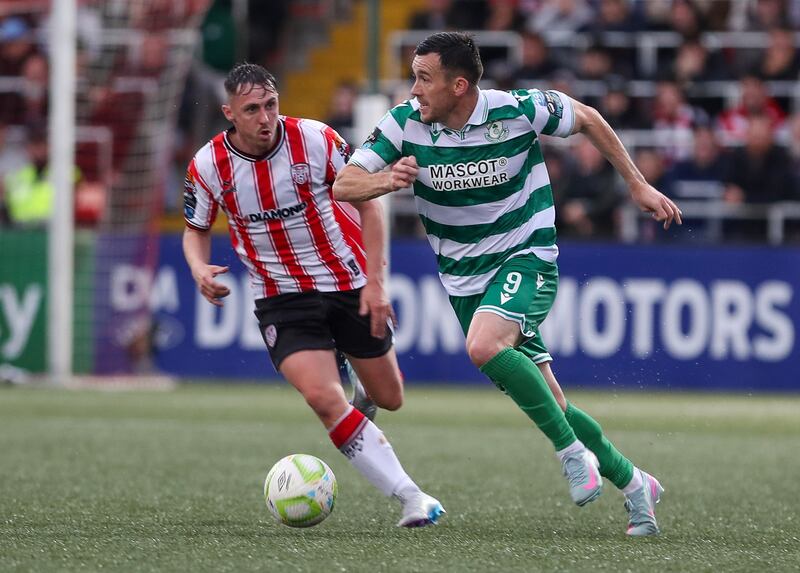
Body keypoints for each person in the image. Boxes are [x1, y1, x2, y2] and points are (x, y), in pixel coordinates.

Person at [333, 32, 682, 537]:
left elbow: (587, 117)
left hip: (526, 256)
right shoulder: (404, 123)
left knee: (483, 346)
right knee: (554, 404)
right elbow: (344, 183)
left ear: (458, 85)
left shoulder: (516, 110)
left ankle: (571, 454)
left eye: (424, 78)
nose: (414, 89)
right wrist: (388, 180)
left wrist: (636, 183)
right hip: (464, 282)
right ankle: (635, 484)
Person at [181, 63, 444, 528]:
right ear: (230, 113)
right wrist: (199, 267)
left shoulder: (316, 139)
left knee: (390, 397)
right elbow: (195, 229)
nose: (265, 118)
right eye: (252, 109)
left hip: (346, 283)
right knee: (324, 399)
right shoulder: (207, 165)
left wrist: (376, 283)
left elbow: (369, 208)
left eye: (271, 105)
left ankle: (360, 381)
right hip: (281, 297)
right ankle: (412, 497)